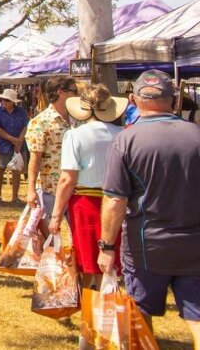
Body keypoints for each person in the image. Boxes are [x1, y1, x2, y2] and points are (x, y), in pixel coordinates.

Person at [99, 70, 200, 345]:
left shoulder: (126, 140)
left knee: (139, 315)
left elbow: (115, 200)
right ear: (174, 99)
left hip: (146, 245)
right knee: (197, 317)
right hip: (193, 244)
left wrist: (106, 247)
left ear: (132, 99)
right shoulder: (196, 134)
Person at [46, 82, 127, 294]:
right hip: (118, 201)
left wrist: (56, 214)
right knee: (110, 253)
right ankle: (102, 301)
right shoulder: (124, 134)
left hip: (85, 202)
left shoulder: (75, 135)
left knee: (86, 255)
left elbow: (67, 178)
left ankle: (89, 303)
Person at [26, 77, 76, 220]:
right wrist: (31, 190)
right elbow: (34, 159)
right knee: (47, 239)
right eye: (74, 91)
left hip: (76, 189)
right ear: (61, 92)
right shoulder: (40, 122)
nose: (77, 95)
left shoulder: (78, 119)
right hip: (50, 191)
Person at [0, 88, 28, 203]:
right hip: (3, 145)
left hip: (18, 145)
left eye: (6, 100)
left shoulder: (21, 112)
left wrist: (19, 141)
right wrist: (14, 140)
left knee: (16, 171)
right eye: (2, 100)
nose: (3, 102)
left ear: (13, 102)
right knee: (0, 169)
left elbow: (25, 127)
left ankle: (15, 197)